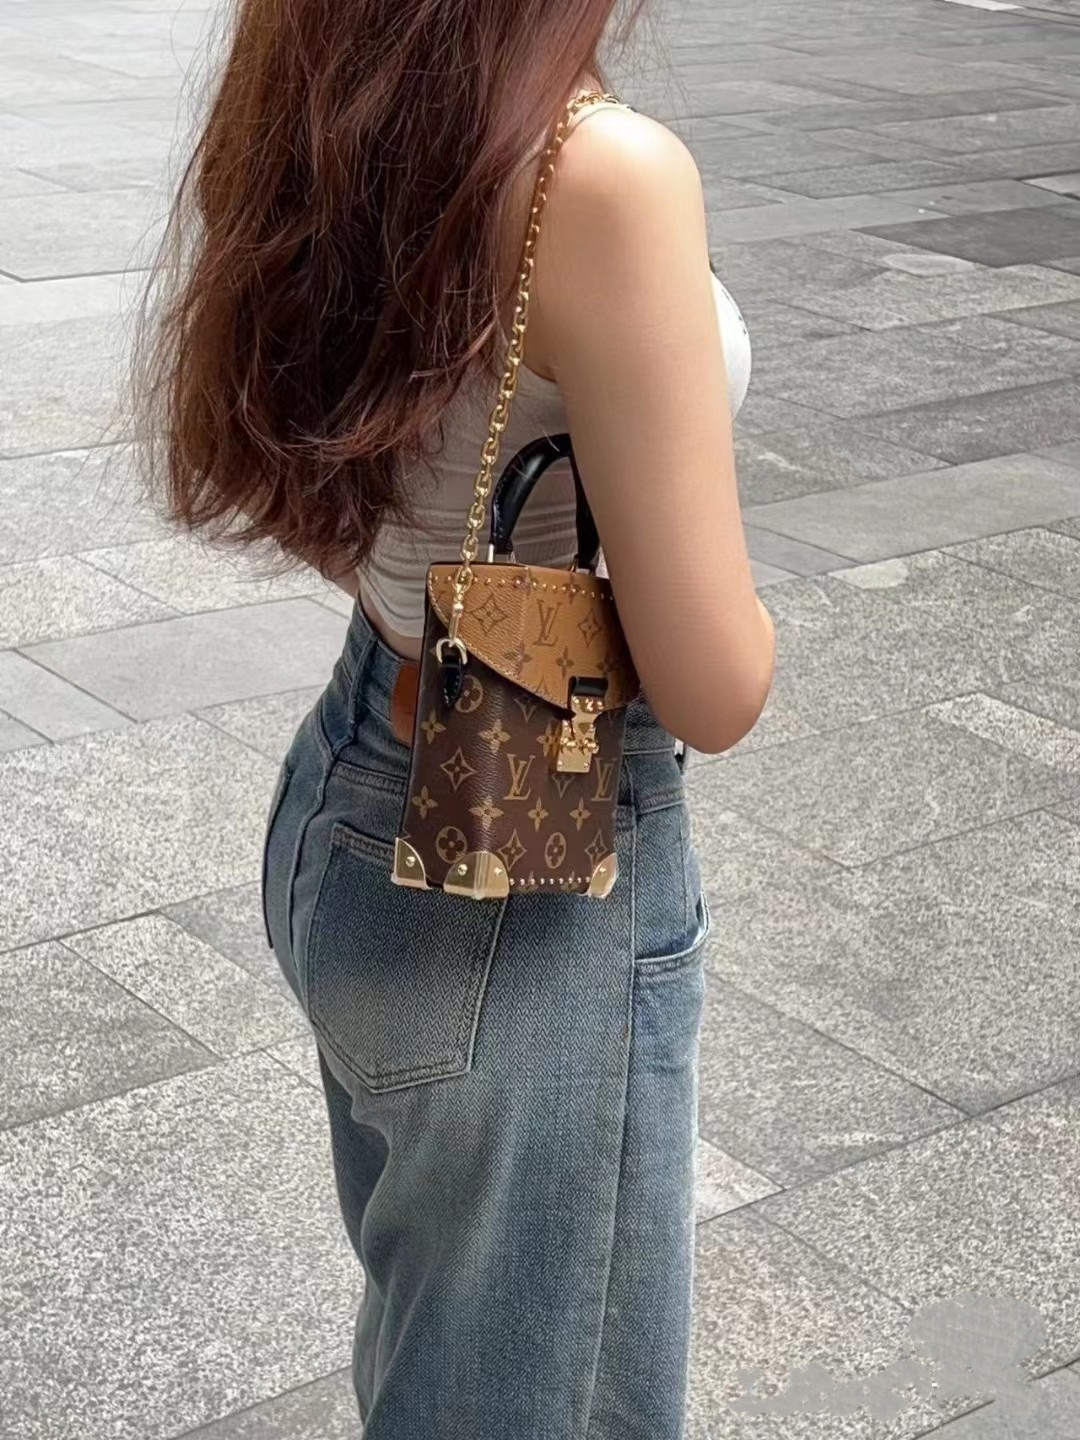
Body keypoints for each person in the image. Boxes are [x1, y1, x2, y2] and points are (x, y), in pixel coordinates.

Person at [137, 1, 774, 1435]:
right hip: (527, 865)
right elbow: (715, 685)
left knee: (445, 1341)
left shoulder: (336, 81)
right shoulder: (604, 174)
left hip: (353, 773)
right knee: (537, 1396)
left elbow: (333, 472)